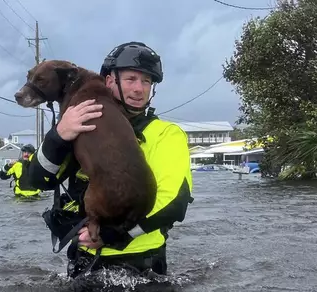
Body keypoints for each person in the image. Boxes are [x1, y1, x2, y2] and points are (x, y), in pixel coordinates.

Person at [25, 41, 194, 279]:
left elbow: (173, 203)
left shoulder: (166, 134)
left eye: (147, 81)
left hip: (140, 264)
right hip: (83, 260)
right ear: (109, 81)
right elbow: (37, 180)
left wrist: (114, 235)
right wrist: (58, 136)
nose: (139, 89)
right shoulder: (78, 123)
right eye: (131, 79)